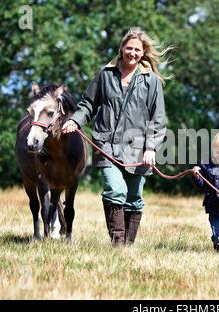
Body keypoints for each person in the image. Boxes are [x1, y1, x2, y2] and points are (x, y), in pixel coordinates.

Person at [62, 27, 171, 247]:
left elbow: (158, 119)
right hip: (106, 145)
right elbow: (88, 104)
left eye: (137, 50)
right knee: (115, 189)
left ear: (143, 52)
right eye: (129, 48)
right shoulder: (105, 74)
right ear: (121, 49)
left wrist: (151, 148)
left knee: (134, 198)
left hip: (139, 148)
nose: (132, 53)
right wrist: (75, 120)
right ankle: (118, 244)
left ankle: (128, 247)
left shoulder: (151, 81)